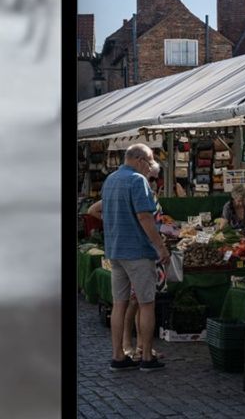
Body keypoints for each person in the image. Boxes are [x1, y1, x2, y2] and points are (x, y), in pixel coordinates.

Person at [101, 144, 170, 372]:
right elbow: (145, 218)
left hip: (115, 251)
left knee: (119, 304)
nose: (149, 166)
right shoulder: (137, 181)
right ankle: (147, 357)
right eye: (149, 162)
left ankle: (118, 356)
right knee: (146, 304)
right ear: (140, 160)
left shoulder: (110, 180)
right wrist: (161, 247)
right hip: (138, 252)